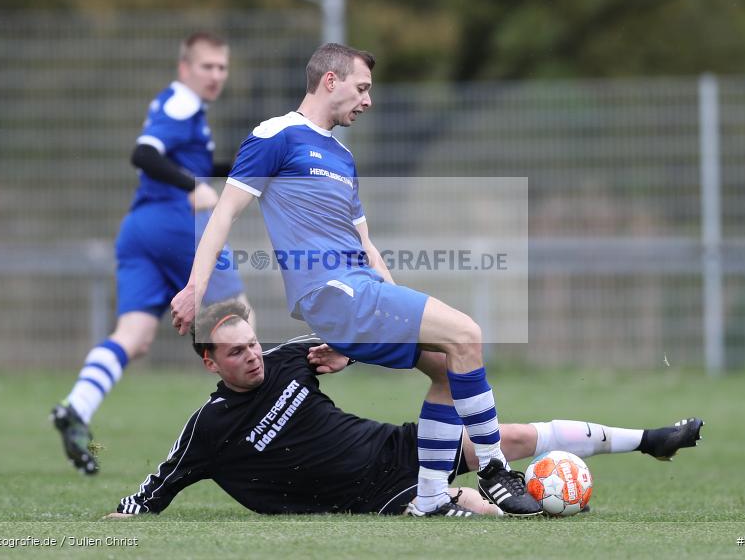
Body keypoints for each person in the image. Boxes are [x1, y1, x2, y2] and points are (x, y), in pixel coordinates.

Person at [169, 42, 541, 516]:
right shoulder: (276, 135)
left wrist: (383, 310)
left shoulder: (342, 157)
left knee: (449, 367)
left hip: (360, 294)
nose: (367, 100)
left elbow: (366, 246)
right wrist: (194, 288)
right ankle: (493, 469)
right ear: (330, 80)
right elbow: (222, 217)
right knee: (467, 333)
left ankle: (428, 497)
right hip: (330, 292)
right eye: (361, 88)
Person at [108, 301, 703, 518]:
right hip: (371, 497)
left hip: (398, 449)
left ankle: (650, 440)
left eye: (253, 344)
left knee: (503, 423)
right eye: (236, 353)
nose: (253, 357)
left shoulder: (289, 357)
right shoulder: (207, 430)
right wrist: (120, 519)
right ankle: (481, 500)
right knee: (501, 516)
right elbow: (156, 489)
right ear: (210, 363)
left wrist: (353, 352)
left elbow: (354, 340)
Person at [51, 33, 254, 476]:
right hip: (174, 225)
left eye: (222, 67)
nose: (216, 75)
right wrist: (193, 186)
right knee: (240, 322)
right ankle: (260, 434)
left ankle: (76, 407)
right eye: (207, 66)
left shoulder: (181, 107)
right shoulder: (182, 102)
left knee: (134, 337)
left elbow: (186, 162)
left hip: (138, 229)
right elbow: (143, 154)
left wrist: (240, 168)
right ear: (185, 68)